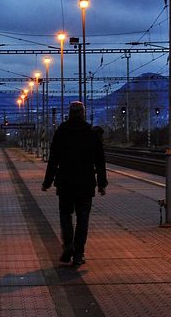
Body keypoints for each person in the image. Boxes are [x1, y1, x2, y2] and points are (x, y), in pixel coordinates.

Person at [42, 101, 107, 266]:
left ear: (69, 114)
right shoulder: (91, 133)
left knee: (65, 215)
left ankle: (68, 245)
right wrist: (102, 183)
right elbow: (100, 160)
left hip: (65, 182)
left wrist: (47, 182)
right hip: (85, 183)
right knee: (83, 217)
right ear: (83, 113)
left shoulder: (62, 131)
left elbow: (53, 159)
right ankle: (78, 253)